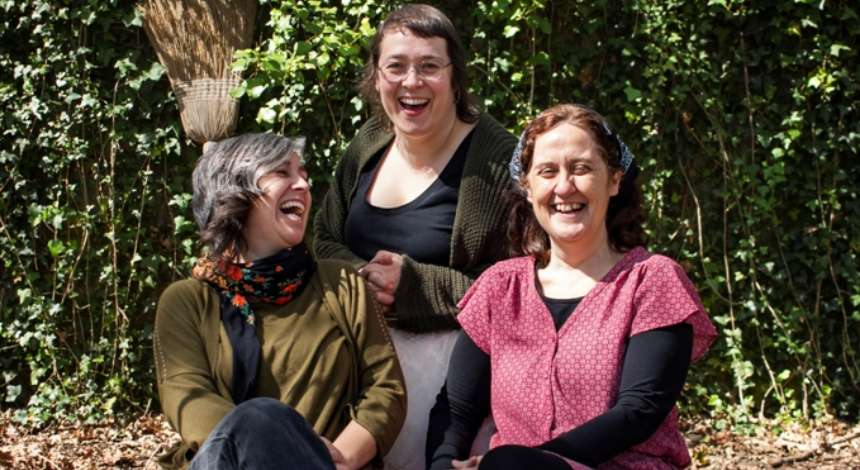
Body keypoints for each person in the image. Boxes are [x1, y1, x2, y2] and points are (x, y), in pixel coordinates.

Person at [426, 104, 718, 469]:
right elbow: (457, 408)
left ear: (614, 180)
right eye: (547, 171)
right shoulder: (500, 288)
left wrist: (531, 462)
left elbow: (639, 410)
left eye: (581, 168)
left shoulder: (652, 281)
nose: (564, 187)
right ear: (528, 187)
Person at [314, 4, 516, 469]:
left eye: (429, 66)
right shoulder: (369, 141)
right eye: (396, 66)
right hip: (351, 353)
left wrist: (415, 286)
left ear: (455, 75)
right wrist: (360, 278)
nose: (411, 82)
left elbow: (520, 286)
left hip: (445, 381)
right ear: (376, 76)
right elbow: (323, 236)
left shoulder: (496, 160)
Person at [153, 133, 406, 470]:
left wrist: (337, 458)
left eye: (303, 174)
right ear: (234, 191)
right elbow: (188, 398)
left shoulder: (342, 284)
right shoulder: (187, 302)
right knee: (260, 417)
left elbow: (385, 389)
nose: (303, 184)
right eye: (282, 172)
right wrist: (283, 447)